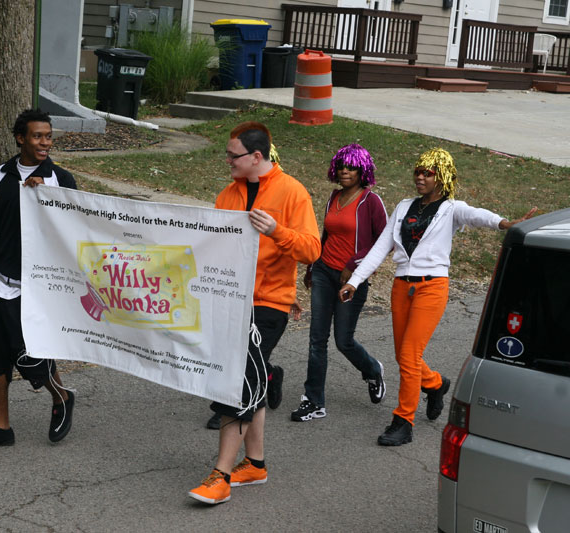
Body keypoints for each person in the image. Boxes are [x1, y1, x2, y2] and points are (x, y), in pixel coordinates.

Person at [339, 148, 537, 446]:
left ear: (441, 177)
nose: (420, 177)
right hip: (401, 286)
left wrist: (503, 223)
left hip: (432, 287)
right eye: (417, 171)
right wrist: (355, 280)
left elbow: (476, 215)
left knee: (409, 355)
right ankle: (435, 384)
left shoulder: (450, 209)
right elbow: (381, 247)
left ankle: (403, 420)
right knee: (404, 356)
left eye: (427, 173)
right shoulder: (405, 206)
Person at [188, 122, 321, 504]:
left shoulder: (292, 191)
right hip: (230, 300)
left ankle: (221, 475)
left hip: (268, 304)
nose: (227, 161)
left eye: (233, 156)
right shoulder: (227, 195)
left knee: (236, 384)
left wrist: (278, 231)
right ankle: (256, 464)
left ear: (256, 157)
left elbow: (312, 250)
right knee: (250, 380)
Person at [0, 108, 77, 449]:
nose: (45, 142)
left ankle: (61, 397)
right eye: (38, 136)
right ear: (21, 138)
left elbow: (72, 229)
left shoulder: (60, 180)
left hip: (36, 287)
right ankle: (1, 428)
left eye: (48, 136)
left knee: (32, 357)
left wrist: (47, 199)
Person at [292, 144, 388, 423]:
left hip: (352, 281)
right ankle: (313, 401)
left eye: (352, 167)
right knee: (316, 339)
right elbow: (325, 235)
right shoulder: (334, 196)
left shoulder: (371, 201)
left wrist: (353, 266)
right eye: (342, 166)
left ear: (363, 171)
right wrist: (312, 266)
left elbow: (385, 242)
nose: (346, 171)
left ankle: (373, 370)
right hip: (324, 272)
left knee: (343, 341)